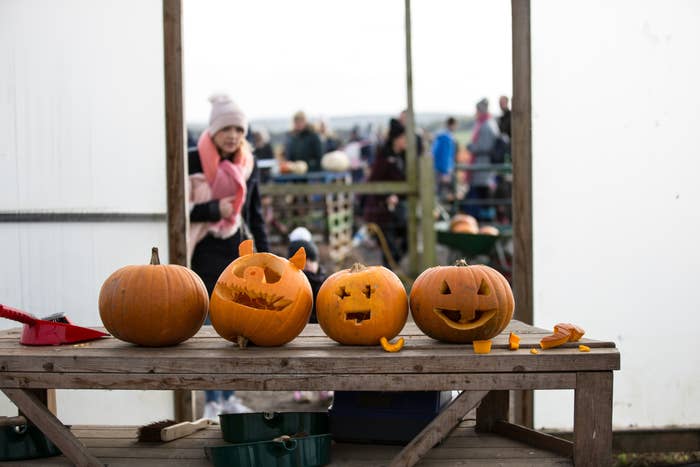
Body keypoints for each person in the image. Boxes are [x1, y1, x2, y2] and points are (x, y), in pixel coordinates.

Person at [188, 94, 269, 419]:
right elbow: (176, 205)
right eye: (227, 128)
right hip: (204, 251)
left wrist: (265, 257)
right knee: (209, 324)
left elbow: (255, 213)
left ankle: (230, 394)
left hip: (236, 251)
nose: (233, 134)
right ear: (214, 129)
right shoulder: (192, 160)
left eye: (239, 128)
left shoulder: (247, 164)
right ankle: (212, 400)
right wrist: (211, 209)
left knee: (237, 324)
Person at [364, 118, 408, 267]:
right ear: (396, 139)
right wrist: (388, 195)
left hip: (398, 210)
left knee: (406, 240)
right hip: (382, 210)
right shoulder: (383, 158)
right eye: (403, 137)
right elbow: (373, 182)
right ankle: (388, 277)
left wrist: (399, 195)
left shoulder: (402, 157)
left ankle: (392, 272)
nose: (406, 140)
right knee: (388, 248)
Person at [465, 98, 500, 221]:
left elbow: (485, 146)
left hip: (483, 166)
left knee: (484, 196)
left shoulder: (486, 125)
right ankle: (485, 220)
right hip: (482, 166)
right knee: (483, 195)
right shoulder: (487, 123)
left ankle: (487, 222)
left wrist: (471, 147)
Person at [431, 117, 458, 200]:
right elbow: (446, 156)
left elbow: (433, 152)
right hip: (444, 171)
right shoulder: (447, 138)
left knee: (438, 193)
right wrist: (446, 172)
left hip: (437, 168)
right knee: (443, 196)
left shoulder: (439, 136)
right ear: (452, 125)